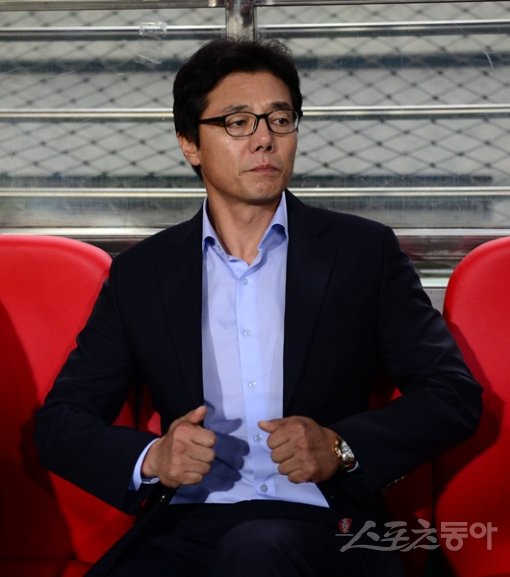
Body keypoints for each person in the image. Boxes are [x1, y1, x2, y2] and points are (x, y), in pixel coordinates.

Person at [36, 37, 482, 577]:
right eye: (238, 122)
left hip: (326, 522)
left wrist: (340, 446)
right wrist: (153, 458)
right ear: (190, 144)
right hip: (185, 523)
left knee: (258, 549)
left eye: (280, 119)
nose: (265, 139)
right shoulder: (143, 274)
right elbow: (60, 423)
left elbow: (451, 394)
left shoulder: (363, 253)